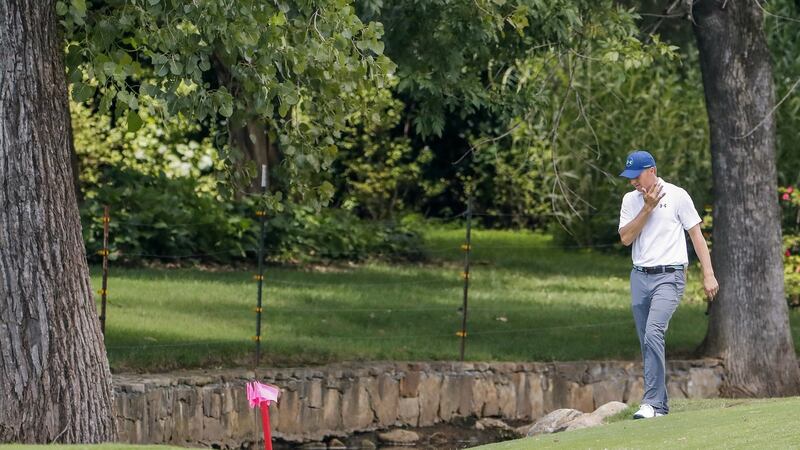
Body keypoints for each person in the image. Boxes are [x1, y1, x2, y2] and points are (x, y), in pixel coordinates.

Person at [617, 150, 719, 419]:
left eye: (636, 177)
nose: (633, 183)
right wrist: (647, 208)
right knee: (646, 340)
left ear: (651, 170)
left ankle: (650, 402)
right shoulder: (630, 200)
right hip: (639, 277)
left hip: (670, 277)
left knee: (653, 332)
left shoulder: (677, 195)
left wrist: (708, 274)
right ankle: (659, 406)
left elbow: (696, 235)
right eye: (629, 178)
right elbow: (626, 238)